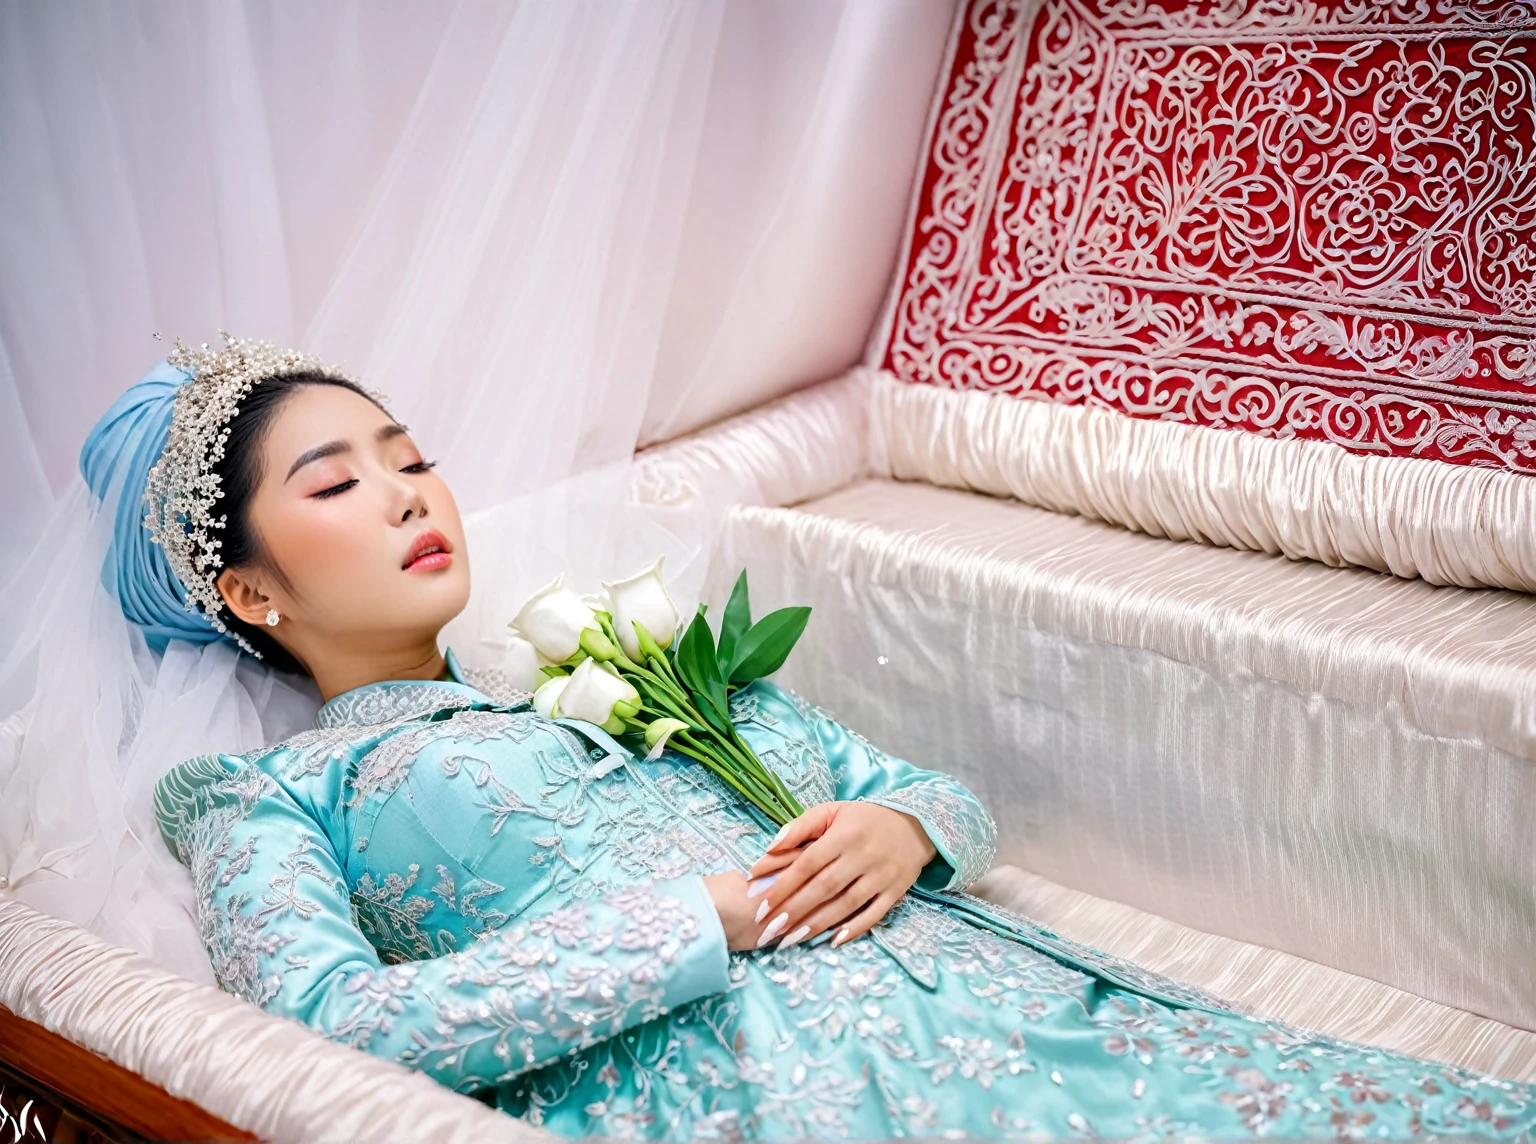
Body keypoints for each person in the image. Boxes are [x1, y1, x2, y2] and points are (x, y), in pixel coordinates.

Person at [84, 335, 1534, 1139]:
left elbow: (913, 788)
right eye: (341, 484)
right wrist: (692, 920)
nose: (412, 497)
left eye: (414, 459)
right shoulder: (271, 792)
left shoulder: (615, 659)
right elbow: (331, 1028)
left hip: (993, 1000)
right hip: (759, 1084)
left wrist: (907, 829)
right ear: (248, 589)